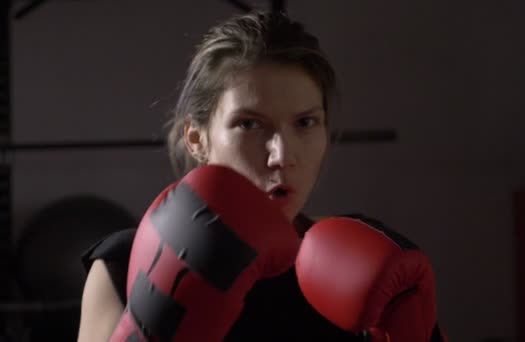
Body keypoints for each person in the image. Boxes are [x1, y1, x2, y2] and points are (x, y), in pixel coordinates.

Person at [77, 10, 444, 342]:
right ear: (196, 138)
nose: (281, 156)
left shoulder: (370, 263)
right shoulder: (126, 267)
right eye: (249, 124)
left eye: (305, 123)